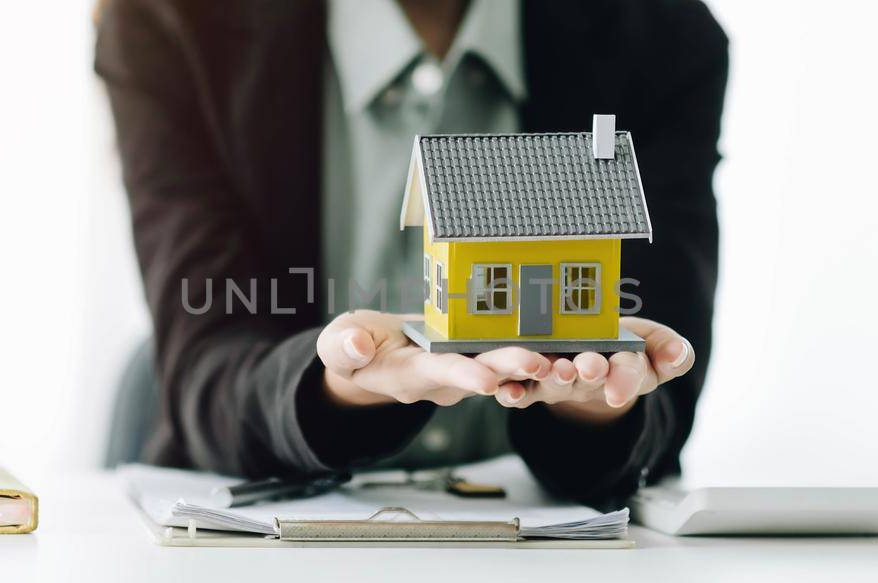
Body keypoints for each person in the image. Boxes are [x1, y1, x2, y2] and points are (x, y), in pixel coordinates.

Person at [95, 0, 727, 510]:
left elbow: (664, 382)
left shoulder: (665, 35)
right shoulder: (169, 19)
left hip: (556, 544)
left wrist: (598, 404)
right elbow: (207, 355)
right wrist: (336, 389)